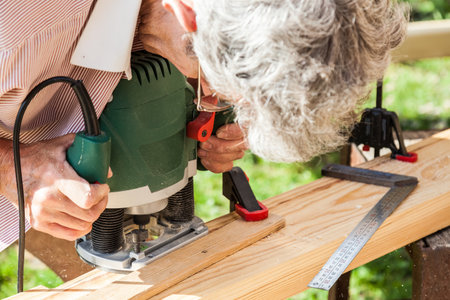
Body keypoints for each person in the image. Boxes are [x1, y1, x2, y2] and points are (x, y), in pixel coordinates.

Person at [0, 0, 407, 251]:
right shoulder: (16, 25)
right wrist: (11, 169)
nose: (215, 100)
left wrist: (201, 113)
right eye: (217, 86)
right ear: (185, 13)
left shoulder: (184, 19)